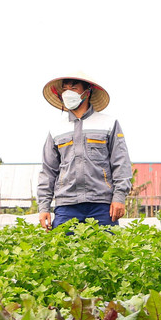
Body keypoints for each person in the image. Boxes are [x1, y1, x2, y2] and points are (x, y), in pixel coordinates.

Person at [36, 72, 132, 230]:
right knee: (63, 251)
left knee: (107, 252)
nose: (68, 92)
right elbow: (48, 171)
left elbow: (121, 163)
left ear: (87, 91)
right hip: (66, 205)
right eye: (65, 89)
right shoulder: (56, 129)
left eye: (74, 87)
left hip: (102, 205)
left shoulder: (108, 123)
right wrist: (44, 207)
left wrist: (119, 197)